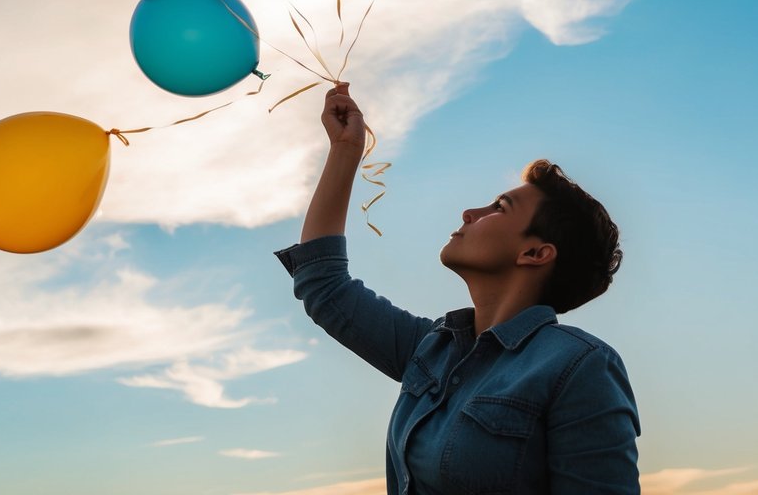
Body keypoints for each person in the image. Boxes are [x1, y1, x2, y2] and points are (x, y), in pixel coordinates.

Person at [275, 83, 641, 494]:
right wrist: (345, 150)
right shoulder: (430, 350)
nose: (470, 212)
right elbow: (324, 287)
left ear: (536, 253)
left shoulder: (579, 366)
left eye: (499, 208)